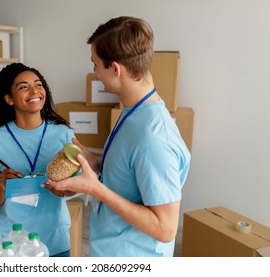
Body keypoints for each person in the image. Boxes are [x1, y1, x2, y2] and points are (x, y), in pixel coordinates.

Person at [45, 16, 191, 257]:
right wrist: (96, 164)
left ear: (115, 68)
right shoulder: (134, 111)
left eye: (95, 64)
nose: (94, 71)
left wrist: (95, 189)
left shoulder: (153, 139)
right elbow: (133, 176)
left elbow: (165, 229)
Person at [0, 62, 75, 257]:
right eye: (23, 87)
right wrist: (2, 186)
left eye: (38, 85)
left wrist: (62, 187)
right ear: (9, 99)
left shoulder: (63, 134)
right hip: (12, 244)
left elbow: (73, 188)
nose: (34, 91)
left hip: (55, 239)